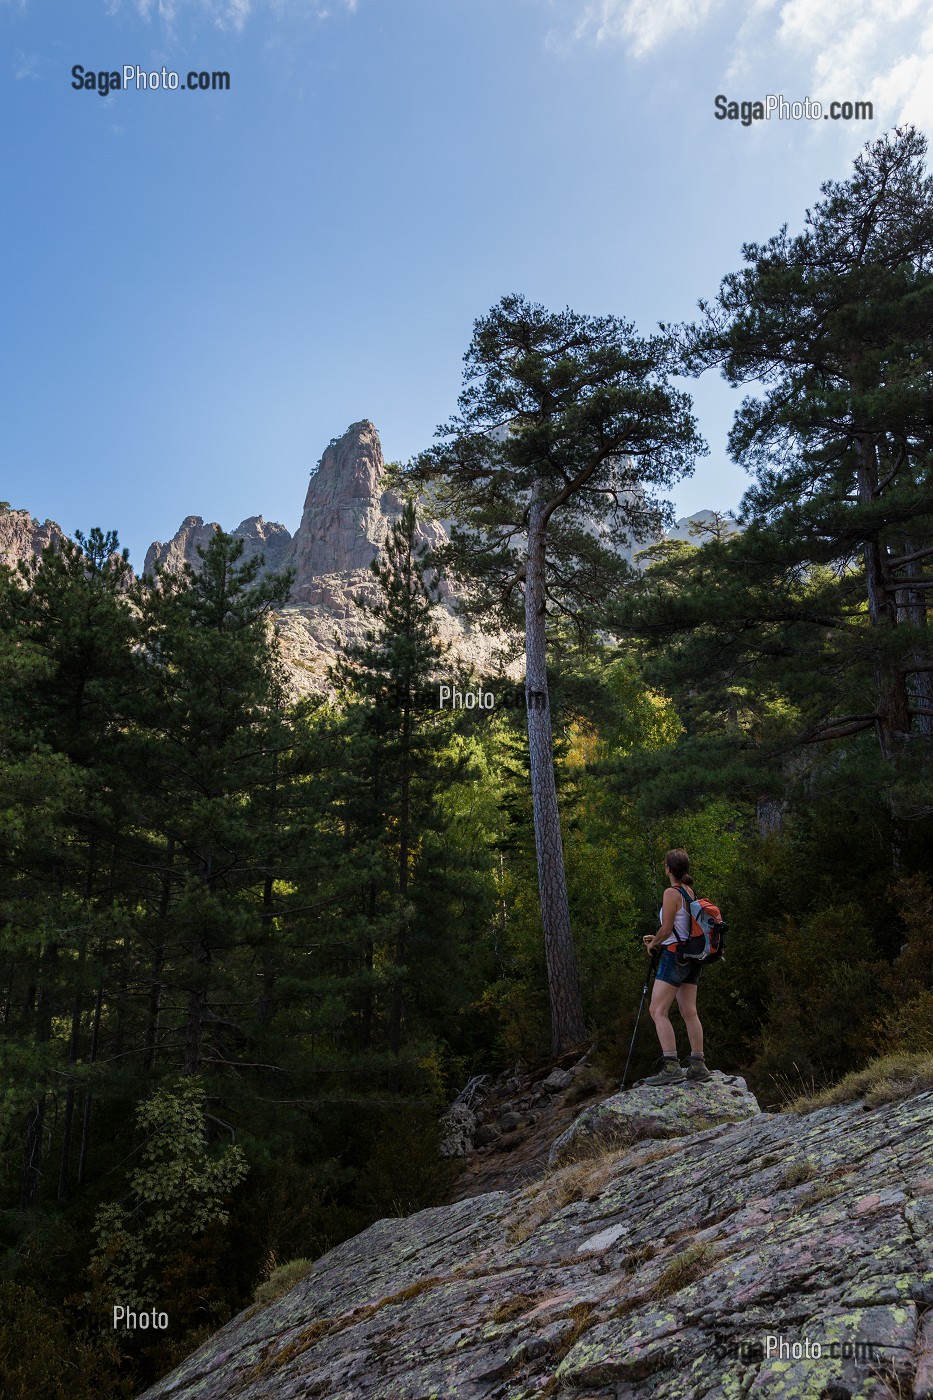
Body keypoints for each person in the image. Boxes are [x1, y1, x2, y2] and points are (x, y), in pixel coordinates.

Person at [640, 849, 712, 1085]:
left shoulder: (671, 893)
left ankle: (671, 1066)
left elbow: (668, 928)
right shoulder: (689, 892)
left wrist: (654, 944)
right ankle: (698, 1065)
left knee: (657, 1011)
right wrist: (661, 937)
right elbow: (681, 927)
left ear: (669, 869)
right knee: (689, 1011)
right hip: (693, 956)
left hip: (674, 957)